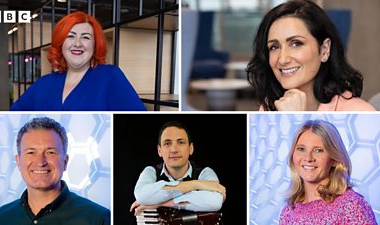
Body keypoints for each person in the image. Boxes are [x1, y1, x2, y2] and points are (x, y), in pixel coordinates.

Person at [246, 0, 376, 111]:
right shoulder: (269, 108)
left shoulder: (360, 114)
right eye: (274, 47)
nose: (283, 59)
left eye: (296, 43)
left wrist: (294, 120)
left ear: (324, 50)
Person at [11, 11, 146, 111]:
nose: (77, 43)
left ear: (94, 45)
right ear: (61, 43)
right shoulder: (44, 83)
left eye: (85, 37)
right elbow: (13, 116)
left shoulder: (110, 77)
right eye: (70, 36)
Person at [0, 117, 111, 225]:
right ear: (18, 162)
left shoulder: (97, 218)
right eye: (31, 152)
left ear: (65, 161)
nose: (40, 162)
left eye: (50, 152)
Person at [279, 120, 377, 224]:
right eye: (301, 149)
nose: (308, 158)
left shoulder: (351, 205)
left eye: (318, 150)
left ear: (334, 159)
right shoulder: (288, 211)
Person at [130, 121, 226, 216]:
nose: (174, 150)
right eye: (167, 143)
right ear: (160, 151)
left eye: (181, 142)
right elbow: (141, 196)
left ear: (191, 148)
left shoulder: (205, 173)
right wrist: (195, 184)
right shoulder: (150, 171)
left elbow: (215, 202)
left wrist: (159, 204)